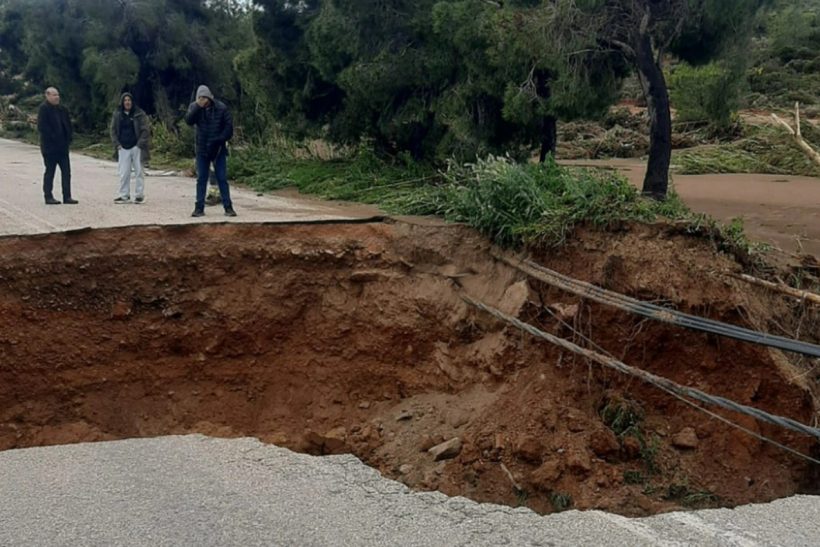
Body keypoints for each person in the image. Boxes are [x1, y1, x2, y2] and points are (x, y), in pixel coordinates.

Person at [184, 85, 236, 217]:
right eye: (200, 98)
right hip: (202, 149)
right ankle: (199, 208)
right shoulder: (194, 108)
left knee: (222, 178)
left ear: (209, 97)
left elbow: (229, 128)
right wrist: (197, 107)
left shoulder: (221, 108)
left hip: (218, 148)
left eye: (205, 98)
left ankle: (228, 207)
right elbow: (189, 121)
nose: (203, 100)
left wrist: (219, 140)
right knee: (201, 178)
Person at [37, 87, 77, 205]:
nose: (57, 97)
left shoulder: (62, 109)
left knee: (66, 172)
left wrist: (68, 138)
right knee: (50, 171)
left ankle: (67, 196)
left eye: (58, 95)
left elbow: (68, 125)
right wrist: (53, 138)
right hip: (50, 148)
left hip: (63, 147)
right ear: (47, 95)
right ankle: (48, 196)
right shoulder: (43, 109)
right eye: (54, 95)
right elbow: (42, 128)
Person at [110, 92, 150, 204]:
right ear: (122, 102)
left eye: (129, 100)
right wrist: (117, 144)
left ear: (132, 102)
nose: (127, 102)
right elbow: (113, 130)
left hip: (137, 146)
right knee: (124, 173)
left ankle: (139, 195)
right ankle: (124, 195)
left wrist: (140, 144)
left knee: (139, 172)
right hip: (122, 147)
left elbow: (145, 130)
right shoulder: (117, 114)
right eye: (125, 100)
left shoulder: (139, 114)